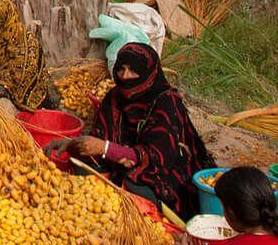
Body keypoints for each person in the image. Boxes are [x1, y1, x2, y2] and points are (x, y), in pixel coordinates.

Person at [56, 42, 209, 219]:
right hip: (119, 164)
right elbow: (98, 139)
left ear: (148, 72)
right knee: (79, 165)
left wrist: (106, 149)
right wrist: (72, 144)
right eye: (121, 69)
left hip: (163, 172)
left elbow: (156, 158)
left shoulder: (166, 103)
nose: (125, 76)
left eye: (133, 70)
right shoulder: (114, 97)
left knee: (136, 187)